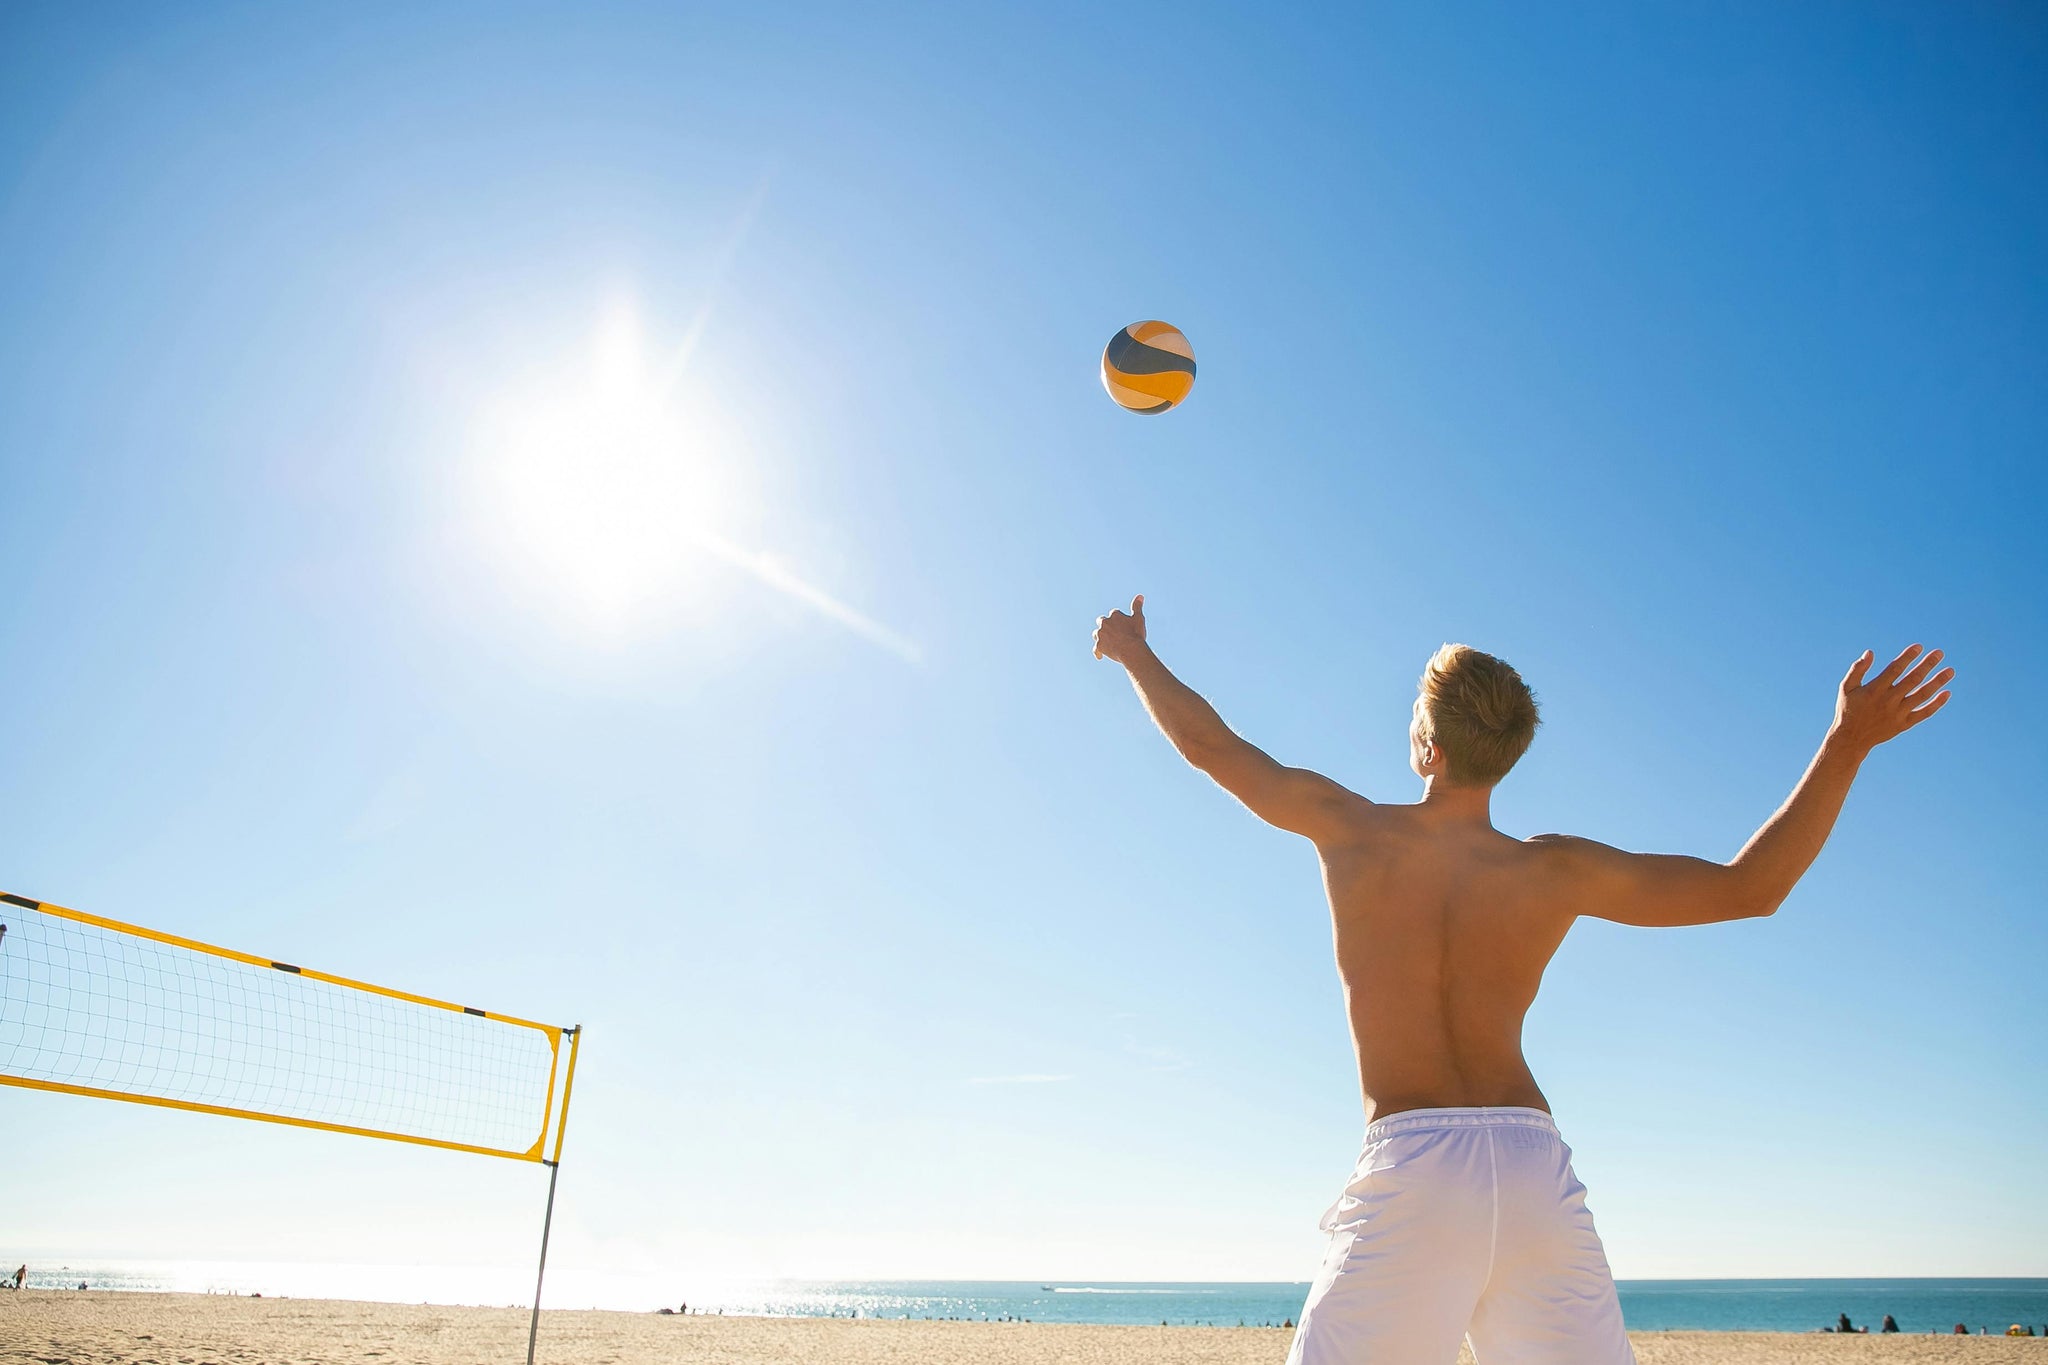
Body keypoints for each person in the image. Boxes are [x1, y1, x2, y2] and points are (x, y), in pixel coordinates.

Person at [1092, 596, 1952, 1365]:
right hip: (1534, 1168)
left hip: (1416, 1164)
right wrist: (1847, 742)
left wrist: (1132, 651)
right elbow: (1750, 887)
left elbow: (1208, 744)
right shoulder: (1554, 871)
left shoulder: (1352, 830)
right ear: (1505, 757)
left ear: (1427, 747)